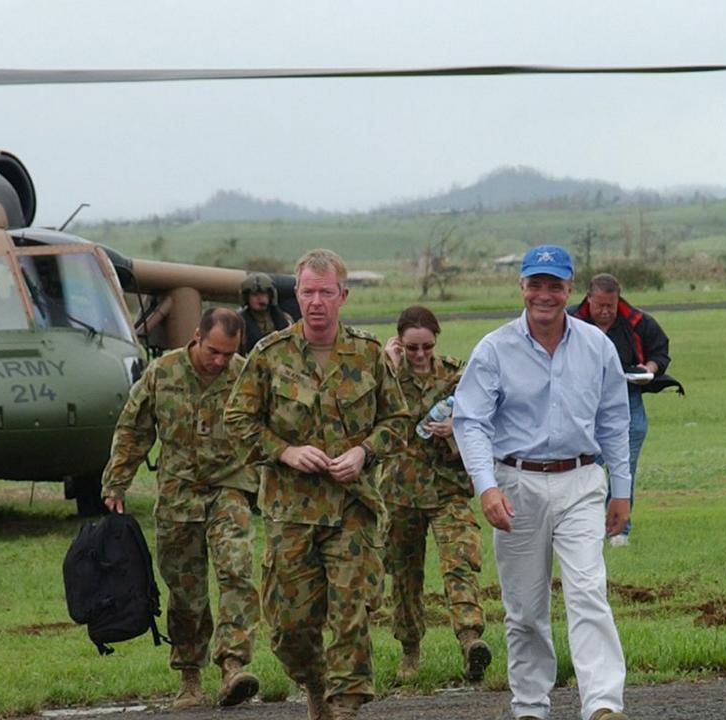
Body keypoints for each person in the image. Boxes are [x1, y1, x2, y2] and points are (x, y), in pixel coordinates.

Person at [225, 249, 410, 720]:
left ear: (342, 296)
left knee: (351, 618)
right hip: (291, 511)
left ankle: (346, 707)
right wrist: (284, 451)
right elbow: (238, 419)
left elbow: (398, 422)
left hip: (352, 509)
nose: (316, 302)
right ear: (297, 294)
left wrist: (364, 452)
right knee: (290, 628)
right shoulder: (270, 355)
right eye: (307, 292)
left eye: (326, 292)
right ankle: (314, 682)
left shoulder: (368, 354)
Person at [453, 245, 631, 720]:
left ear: (571, 289)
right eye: (536, 284)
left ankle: (603, 705)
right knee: (525, 608)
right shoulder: (494, 349)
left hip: (581, 480)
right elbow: (470, 421)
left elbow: (615, 420)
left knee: (588, 592)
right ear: (522, 288)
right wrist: (486, 486)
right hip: (516, 484)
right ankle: (530, 706)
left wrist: (623, 490)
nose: (545, 295)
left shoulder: (596, 346)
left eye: (555, 285)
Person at [101, 307, 261, 710]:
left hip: (230, 488)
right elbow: (134, 429)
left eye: (228, 354)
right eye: (213, 352)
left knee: (237, 569)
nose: (220, 361)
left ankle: (233, 665)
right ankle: (190, 678)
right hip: (178, 498)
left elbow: (269, 429)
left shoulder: (246, 375)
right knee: (186, 592)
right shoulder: (163, 372)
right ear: (195, 336)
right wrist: (116, 481)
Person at [379, 306, 490, 683]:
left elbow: (485, 421)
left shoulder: (457, 376)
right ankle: (410, 652)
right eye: (412, 348)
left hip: (448, 488)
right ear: (399, 343)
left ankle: (470, 641)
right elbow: (364, 415)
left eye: (426, 347)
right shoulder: (386, 377)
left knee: (460, 562)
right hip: (400, 492)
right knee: (404, 577)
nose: (420, 355)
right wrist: (390, 366)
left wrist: (455, 431)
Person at [570, 272, 681, 547]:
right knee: (587, 469)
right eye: (600, 306)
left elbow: (660, 351)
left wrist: (649, 369)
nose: (606, 312)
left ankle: (619, 531)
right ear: (589, 299)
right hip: (584, 406)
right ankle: (587, 528)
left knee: (624, 466)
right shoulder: (569, 321)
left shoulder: (636, 321)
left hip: (628, 400)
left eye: (611, 305)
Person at [237, 272, 292, 354]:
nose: (260, 298)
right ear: (246, 298)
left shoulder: (286, 319)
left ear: (270, 296)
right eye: (254, 294)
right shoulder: (239, 323)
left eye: (263, 293)